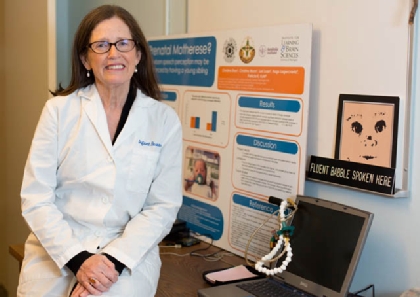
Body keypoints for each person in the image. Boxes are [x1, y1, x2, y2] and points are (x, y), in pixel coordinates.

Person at [17, 5, 182, 297]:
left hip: (125, 252)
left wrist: (111, 263)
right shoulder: (58, 111)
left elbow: (162, 206)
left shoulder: (164, 120)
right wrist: (79, 261)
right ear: (85, 59)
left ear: (138, 54)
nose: (114, 53)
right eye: (101, 45)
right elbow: (36, 198)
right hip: (58, 247)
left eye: (123, 44)